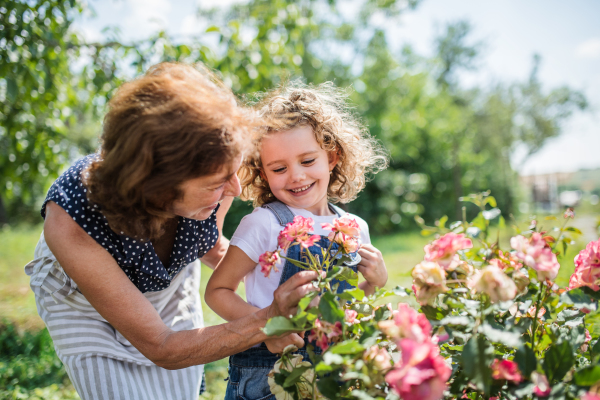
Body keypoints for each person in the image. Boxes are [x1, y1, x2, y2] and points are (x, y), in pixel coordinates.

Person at [24, 63, 322, 400]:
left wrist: (291, 270)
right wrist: (267, 320)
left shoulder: (216, 164)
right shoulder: (71, 221)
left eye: (232, 170)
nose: (235, 189)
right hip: (81, 297)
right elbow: (162, 346)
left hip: (168, 284)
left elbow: (210, 246)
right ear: (158, 187)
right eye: (215, 184)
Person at [204, 82, 389, 400]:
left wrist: (373, 284)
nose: (296, 176)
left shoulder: (353, 227)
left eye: (307, 161)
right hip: (268, 371)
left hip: (335, 369)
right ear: (263, 173)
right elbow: (217, 291)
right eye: (279, 168)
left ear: (332, 157)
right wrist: (265, 328)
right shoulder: (263, 224)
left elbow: (342, 306)